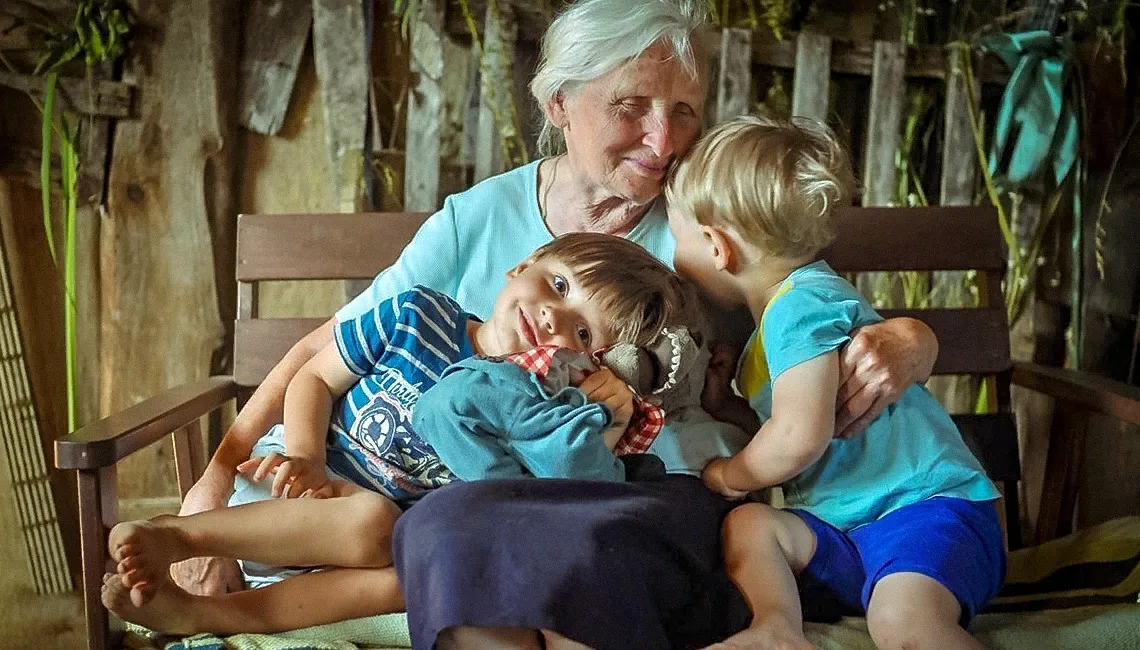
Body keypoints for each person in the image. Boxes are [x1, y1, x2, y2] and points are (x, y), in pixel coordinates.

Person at [175, 0, 940, 647]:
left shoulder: (704, 225)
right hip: (427, 494)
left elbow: (810, 301)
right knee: (451, 527)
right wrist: (214, 477)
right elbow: (330, 345)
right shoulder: (478, 220)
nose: (664, 141)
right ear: (559, 106)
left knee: (479, 529)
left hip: (619, 495)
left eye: (682, 112)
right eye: (632, 106)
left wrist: (914, 340)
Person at [101, 233, 692, 635]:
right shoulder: (419, 316)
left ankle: (204, 616)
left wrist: (605, 421)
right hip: (285, 493)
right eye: (559, 288)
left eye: (584, 334)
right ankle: (178, 539)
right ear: (523, 266)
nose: (553, 321)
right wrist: (305, 456)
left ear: (593, 364)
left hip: (360, 555)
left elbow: (546, 498)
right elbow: (312, 378)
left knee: (410, 576)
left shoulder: (539, 410)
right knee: (373, 522)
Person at [666, 114, 1005, 650]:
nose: (673, 256)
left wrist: (731, 475)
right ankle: (776, 628)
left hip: (923, 512)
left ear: (716, 246)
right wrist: (727, 409)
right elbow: (786, 424)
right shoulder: (776, 323)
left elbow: (800, 438)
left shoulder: (801, 307)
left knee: (904, 624)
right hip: (847, 531)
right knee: (753, 525)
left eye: (675, 236)